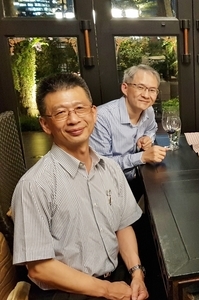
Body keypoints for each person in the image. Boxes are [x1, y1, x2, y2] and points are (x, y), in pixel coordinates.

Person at [11, 73, 149, 300]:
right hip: (65, 292)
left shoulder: (111, 169)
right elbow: (39, 268)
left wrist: (136, 274)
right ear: (45, 124)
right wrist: (106, 290)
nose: (73, 119)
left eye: (79, 109)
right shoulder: (34, 185)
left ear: (93, 113)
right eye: (61, 113)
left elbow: (123, 226)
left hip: (115, 277)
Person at [90, 64, 167, 201]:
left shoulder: (148, 110)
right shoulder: (102, 118)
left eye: (152, 90)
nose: (146, 95)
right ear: (125, 88)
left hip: (138, 178)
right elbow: (101, 167)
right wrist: (142, 157)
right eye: (140, 87)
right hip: (108, 188)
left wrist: (147, 137)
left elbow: (152, 128)